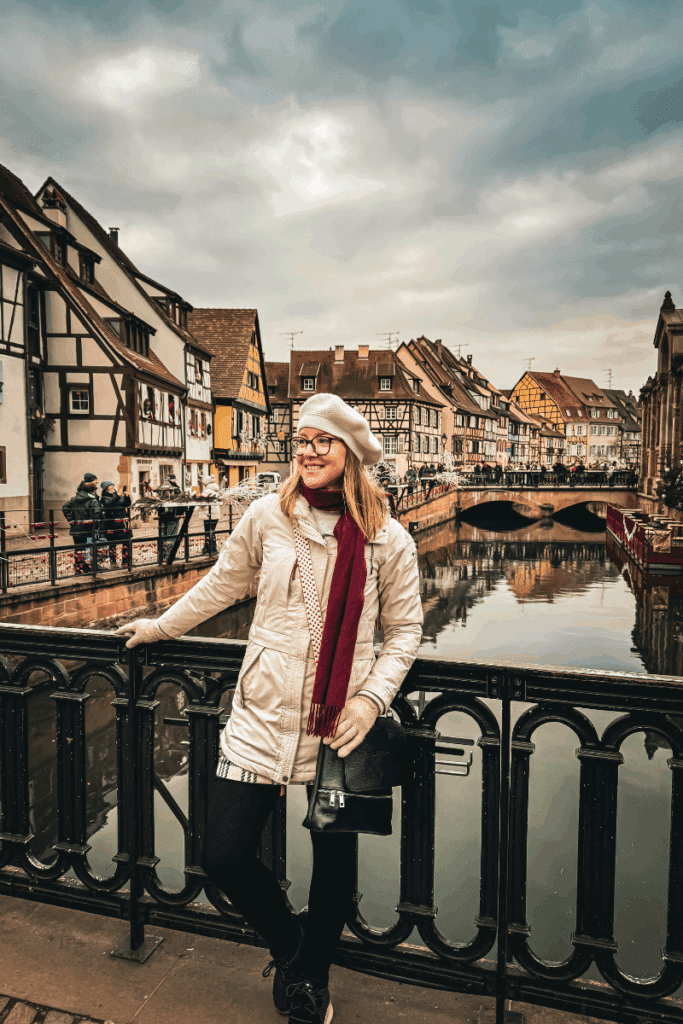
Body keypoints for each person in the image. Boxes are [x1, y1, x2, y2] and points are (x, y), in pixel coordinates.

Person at [116, 394, 423, 1024]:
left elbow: (406, 632)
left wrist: (371, 699)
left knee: (332, 874)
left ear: (351, 453)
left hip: (340, 727)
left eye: (323, 441)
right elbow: (222, 585)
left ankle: (312, 979)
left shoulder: (388, 539)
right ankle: (291, 950)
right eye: (301, 439)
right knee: (223, 854)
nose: (308, 451)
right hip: (261, 715)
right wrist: (162, 627)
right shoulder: (267, 516)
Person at [62, 472, 102, 575]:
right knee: (91, 548)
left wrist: (71, 520)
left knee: (79, 549)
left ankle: (79, 568)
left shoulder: (74, 499)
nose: (97, 484)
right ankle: (91, 567)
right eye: (96, 483)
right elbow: (96, 514)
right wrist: (96, 526)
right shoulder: (93, 500)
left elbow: (65, 507)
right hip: (89, 528)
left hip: (76, 528)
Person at [99, 481, 132, 567]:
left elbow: (127, 504)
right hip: (112, 524)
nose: (112, 487)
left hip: (122, 523)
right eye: (110, 486)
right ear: (106, 488)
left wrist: (127, 497)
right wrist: (118, 496)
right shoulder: (104, 498)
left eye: (113, 485)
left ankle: (126, 561)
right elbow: (109, 505)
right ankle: (113, 563)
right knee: (112, 543)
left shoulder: (118, 496)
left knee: (126, 542)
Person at [200, 473, 222, 555]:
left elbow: (203, 503)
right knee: (212, 531)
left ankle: (210, 548)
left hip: (208, 514)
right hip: (215, 514)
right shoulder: (215, 490)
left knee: (208, 531)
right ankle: (210, 548)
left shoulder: (207, 491)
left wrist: (199, 498)